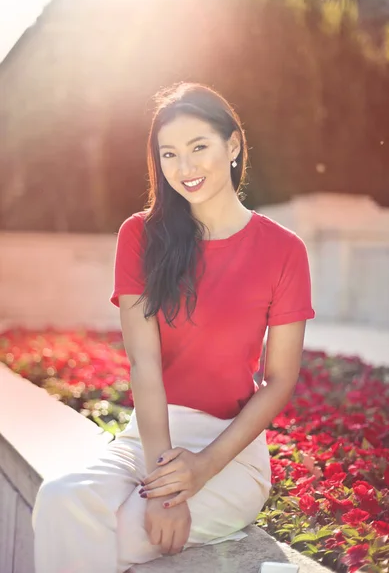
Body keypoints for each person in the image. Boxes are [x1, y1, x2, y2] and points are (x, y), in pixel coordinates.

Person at [32, 82, 315, 573]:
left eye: (198, 147)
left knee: (118, 532)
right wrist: (166, 481)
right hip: (149, 438)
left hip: (231, 448)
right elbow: (144, 363)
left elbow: (279, 380)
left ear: (233, 145)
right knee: (61, 501)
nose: (184, 168)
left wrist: (202, 468)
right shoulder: (141, 235)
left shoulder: (284, 250)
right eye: (169, 154)